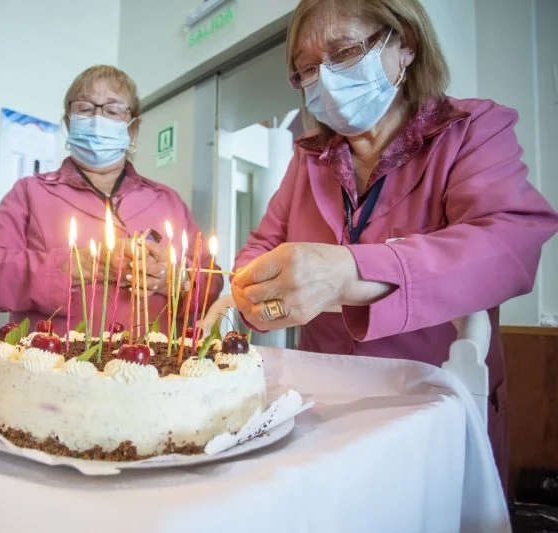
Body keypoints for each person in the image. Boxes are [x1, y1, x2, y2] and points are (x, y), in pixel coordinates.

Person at [230, 0, 558, 490]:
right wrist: (259, 302)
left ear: (404, 43)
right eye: (307, 69)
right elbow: (257, 256)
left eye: (343, 53)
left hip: (430, 408)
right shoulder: (311, 163)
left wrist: (350, 274)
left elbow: (508, 241)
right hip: (320, 411)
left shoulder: (471, 132)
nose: (326, 79)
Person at [0, 65, 222, 335]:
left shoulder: (167, 200)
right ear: (68, 123)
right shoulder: (29, 193)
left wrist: (175, 281)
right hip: (54, 368)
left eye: (112, 111)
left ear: (133, 129)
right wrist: (84, 265)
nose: (97, 118)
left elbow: (212, 281)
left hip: (153, 369)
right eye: (85, 108)